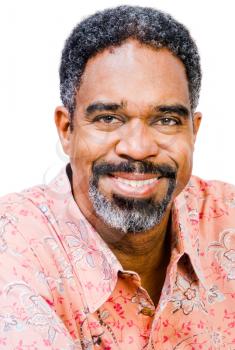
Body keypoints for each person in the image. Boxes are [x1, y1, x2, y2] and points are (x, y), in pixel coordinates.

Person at [0, 5, 235, 349]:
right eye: (109, 118)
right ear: (67, 130)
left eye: (166, 119)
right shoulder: (13, 248)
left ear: (193, 132)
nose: (138, 149)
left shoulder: (227, 220)